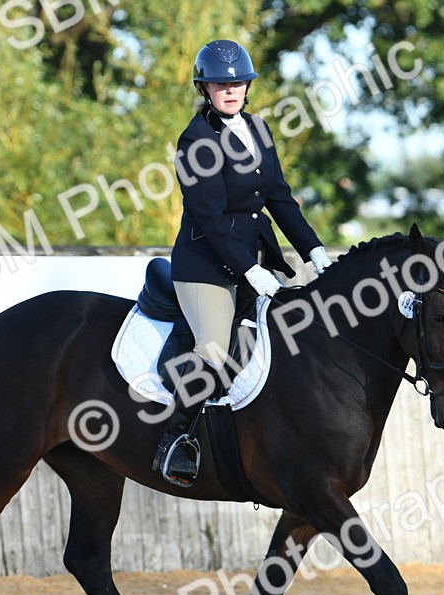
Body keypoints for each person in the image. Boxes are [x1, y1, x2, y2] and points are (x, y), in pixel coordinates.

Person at [152, 38, 333, 487]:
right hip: (206, 268)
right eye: (220, 85)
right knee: (214, 350)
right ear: (204, 88)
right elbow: (211, 219)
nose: (230, 91)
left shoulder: (259, 130)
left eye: (238, 84)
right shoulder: (194, 140)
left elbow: (280, 199)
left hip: (251, 260)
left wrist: (314, 251)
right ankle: (176, 442)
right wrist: (249, 271)